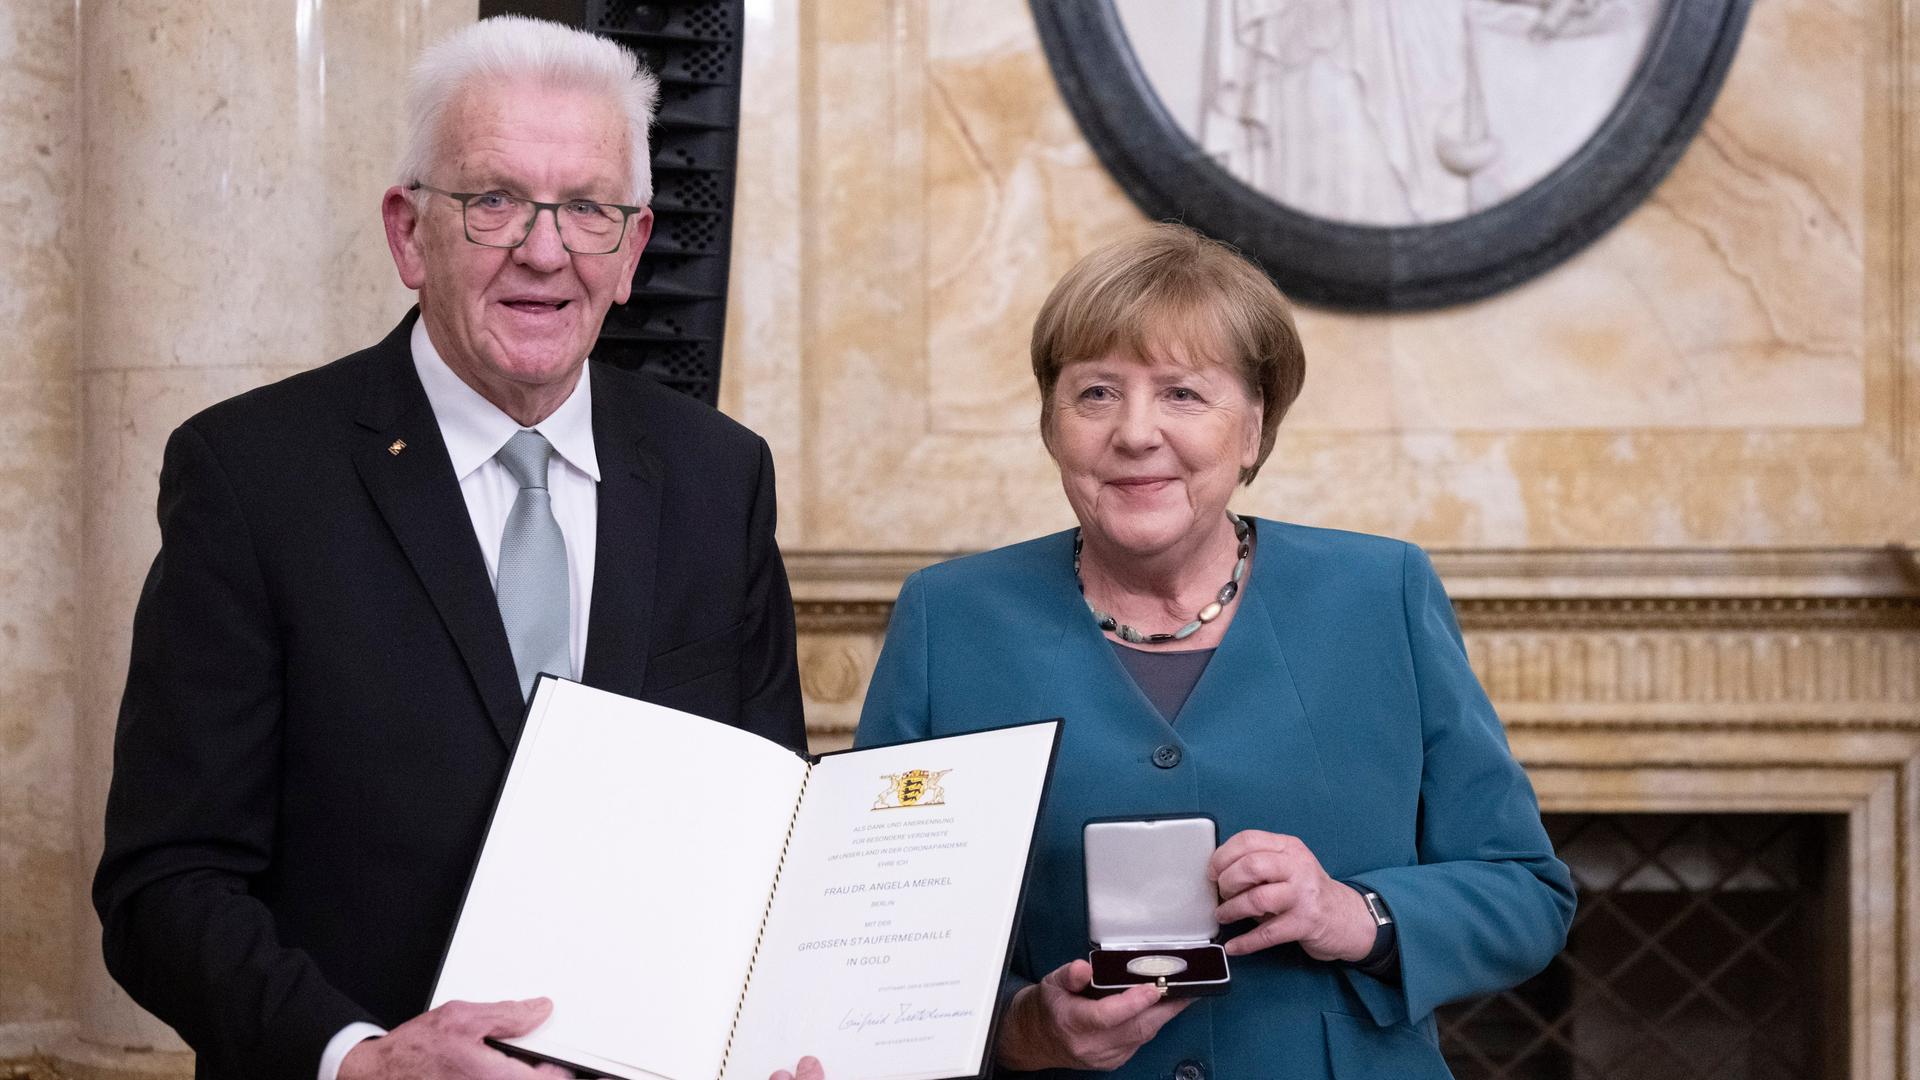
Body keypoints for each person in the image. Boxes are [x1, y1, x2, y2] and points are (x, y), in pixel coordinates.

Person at [93, 17, 820, 1080]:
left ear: (634, 249)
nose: (544, 249)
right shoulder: (253, 478)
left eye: (587, 209)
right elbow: (165, 886)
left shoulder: (718, 478)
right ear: (406, 232)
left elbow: (772, 830)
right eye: (494, 200)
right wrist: (362, 1058)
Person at [855, 223, 1573, 1078]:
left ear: (1254, 427)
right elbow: (879, 939)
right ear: (1051, 425)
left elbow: (1526, 892)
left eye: (1184, 395)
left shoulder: (1381, 594)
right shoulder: (949, 619)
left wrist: (1355, 913)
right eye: (1095, 394)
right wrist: (1022, 1028)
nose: (1134, 433)